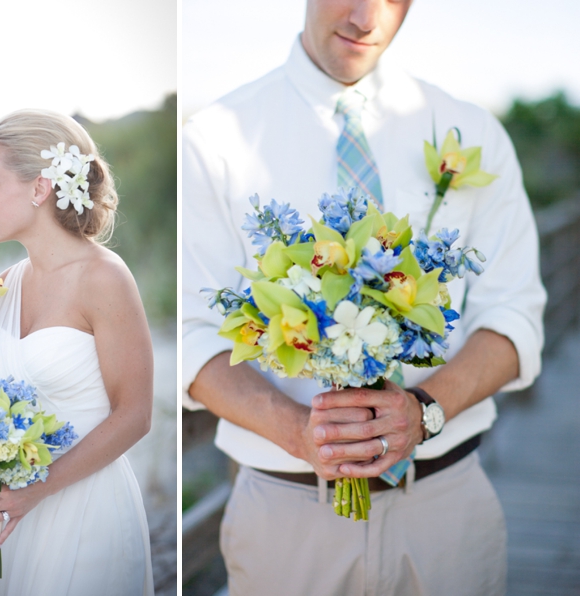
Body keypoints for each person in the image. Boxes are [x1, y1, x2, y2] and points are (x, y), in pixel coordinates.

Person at [182, 1, 546, 595]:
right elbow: (195, 338)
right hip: (287, 520)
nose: (366, 17)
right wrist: (303, 433)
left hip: (448, 511)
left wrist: (423, 410)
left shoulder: (469, 133)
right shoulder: (213, 141)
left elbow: (515, 315)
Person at [0, 109, 155, 595]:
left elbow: (135, 414)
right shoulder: (0, 288)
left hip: (87, 508)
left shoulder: (105, 278)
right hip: (17, 518)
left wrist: (36, 490)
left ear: (39, 188)